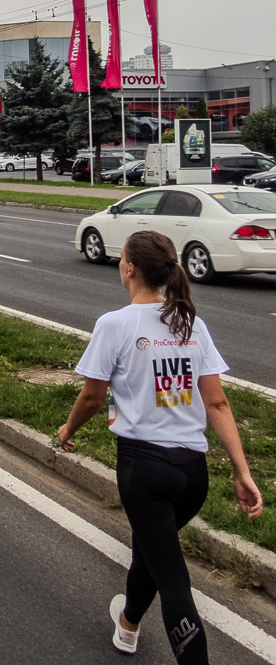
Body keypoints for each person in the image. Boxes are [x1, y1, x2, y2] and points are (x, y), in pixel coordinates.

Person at [58, 230, 262, 663]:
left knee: (173, 581)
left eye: (122, 259)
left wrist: (67, 428)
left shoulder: (114, 324)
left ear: (129, 268)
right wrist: (242, 472)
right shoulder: (191, 322)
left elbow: (93, 397)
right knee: (152, 552)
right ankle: (128, 625)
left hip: (145, 470)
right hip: (193, 474)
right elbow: (218, 402)